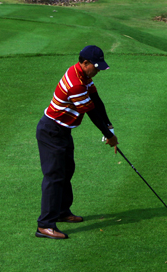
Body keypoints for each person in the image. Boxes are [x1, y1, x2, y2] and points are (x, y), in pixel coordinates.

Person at [35, 45, 118, 239]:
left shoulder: (84, 76)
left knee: (67, 171)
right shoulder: (76, 83)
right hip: (51, 131)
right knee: (54, 176)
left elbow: (96, 100)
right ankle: (44, 225)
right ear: (85, 63)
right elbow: (91, 112)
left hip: (63, 131)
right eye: (95, 67)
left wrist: (109, 127)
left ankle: (62, 211)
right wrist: (109, 136)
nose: (98, 71)